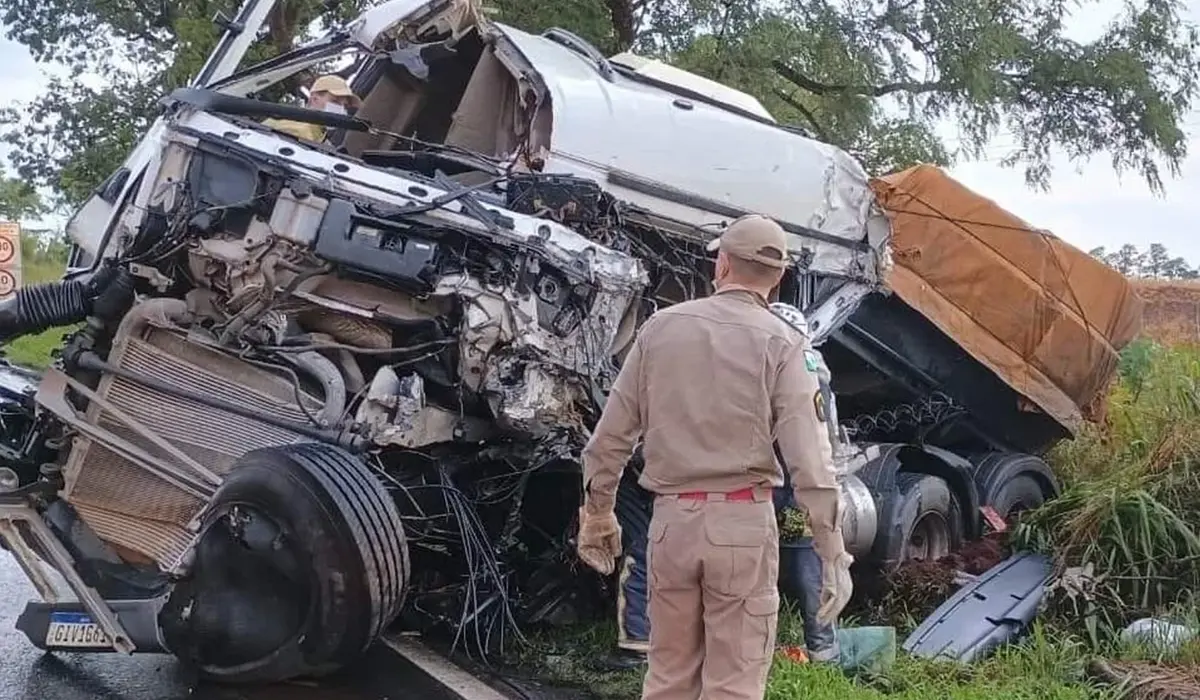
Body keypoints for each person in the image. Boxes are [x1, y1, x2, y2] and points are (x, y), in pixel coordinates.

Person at [575, 214, 855, 699]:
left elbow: (610, 437)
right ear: (780, 277)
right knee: (734, 683)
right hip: (742, 525)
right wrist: (832, 551)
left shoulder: (660, 329)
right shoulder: (785, 344)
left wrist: (597, 513)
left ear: (721, 263)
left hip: (670, 524)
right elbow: (810, 459)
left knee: (667, 677)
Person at [262, 74, 362, 142]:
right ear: (314, 99)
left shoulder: (317, 132)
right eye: (335, 101)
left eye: (344, 106)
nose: (340, 109)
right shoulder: (298, 131)